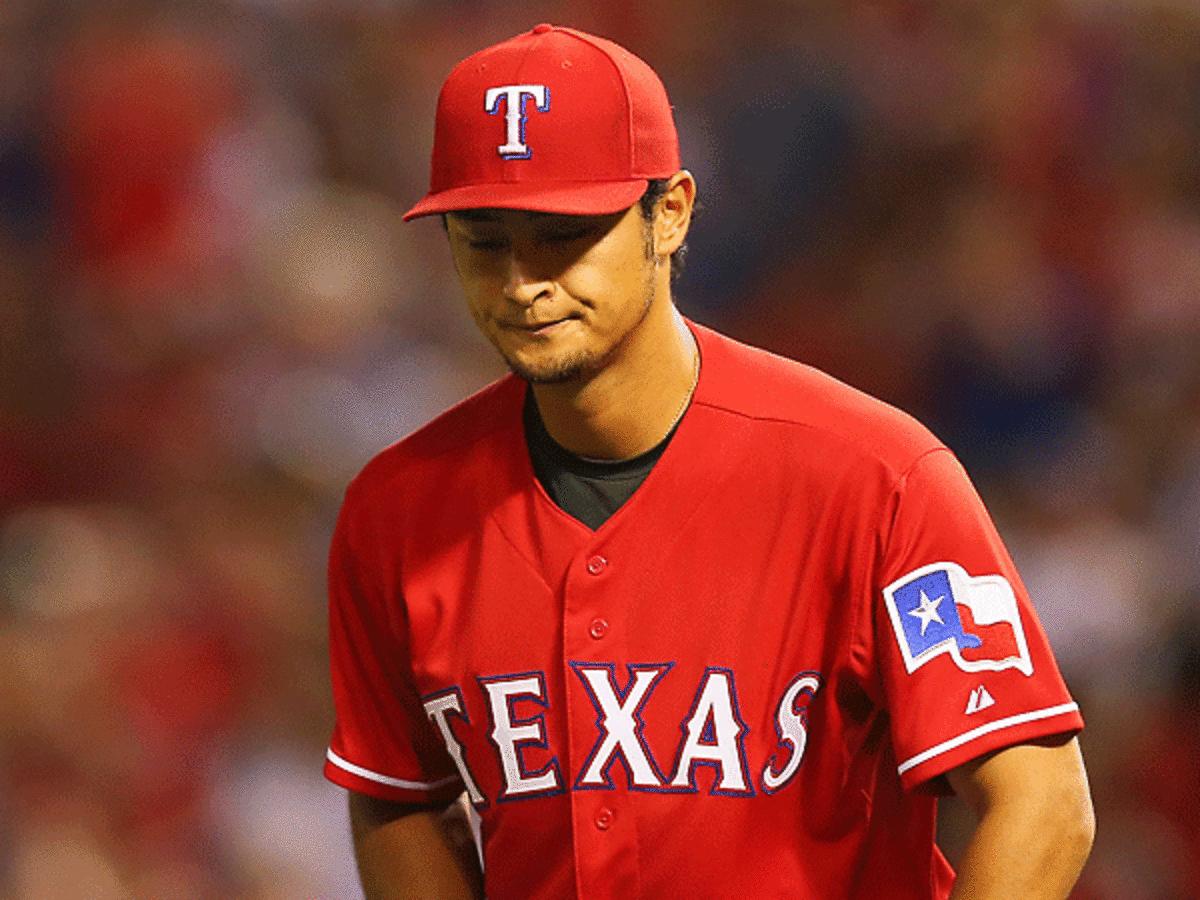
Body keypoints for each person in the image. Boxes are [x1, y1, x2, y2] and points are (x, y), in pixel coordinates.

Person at [323, 23, 1094, 900]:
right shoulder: (397, 510)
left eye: (562, 233)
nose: (523, 282)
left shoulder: (875, 476)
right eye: (485, 240)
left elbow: (1041, 801)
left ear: (670, 213)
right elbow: (398, 794)